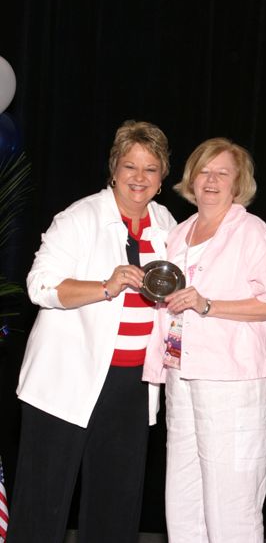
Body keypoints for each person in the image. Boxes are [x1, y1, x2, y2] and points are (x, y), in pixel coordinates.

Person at [7, 120, 176, 543]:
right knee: (42, 505)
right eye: (130, 166)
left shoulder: (167, 223)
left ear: (162, 178)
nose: (139, 177)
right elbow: (39, 286)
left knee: (115, 508)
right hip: (65, 381)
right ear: (114, 169)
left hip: (132, 385)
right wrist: (106, 286)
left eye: (150, 168)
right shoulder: (79, 217)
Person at [143, 137, 266, 542]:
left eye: (222, 173)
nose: (210, 180)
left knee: (231, 501)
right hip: (183, 372)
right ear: (191, 179)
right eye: (204, 171)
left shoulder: (253, 233)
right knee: (183, 496)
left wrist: (208, 305)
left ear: (237, 183)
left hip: (233, 379)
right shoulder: (179, 234)